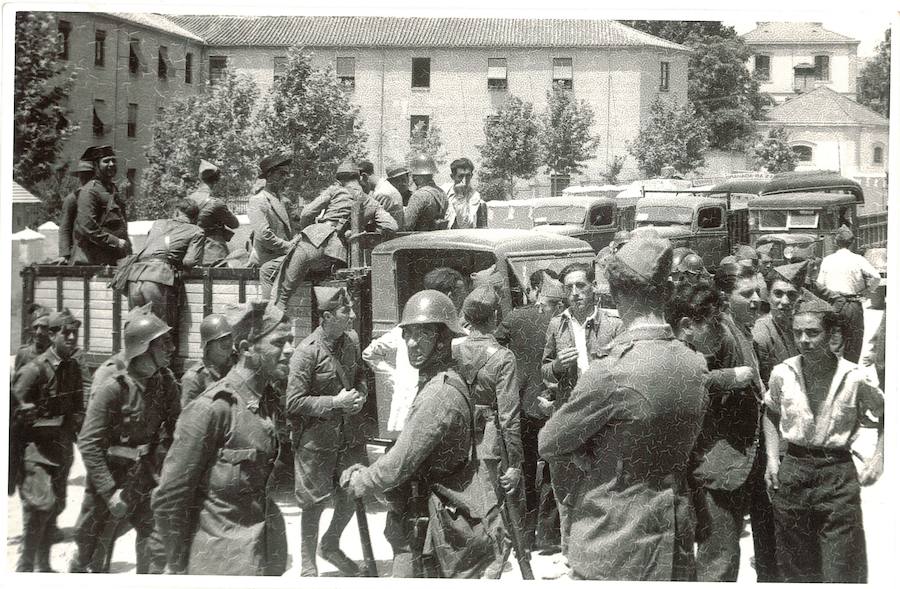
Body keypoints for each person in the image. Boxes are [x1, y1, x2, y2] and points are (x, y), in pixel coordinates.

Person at [539, 237, 709, 581]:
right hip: (672, 540)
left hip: (615, 542)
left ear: (613, 294)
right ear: (667, 292)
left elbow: (549, 441)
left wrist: (583, 452)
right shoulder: (694, 363)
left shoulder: (611, 369)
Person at [342, 290, 500, 578]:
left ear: (442, 340)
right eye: (409, 334)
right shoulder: (442, 380)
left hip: (434, 527)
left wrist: (363, 480)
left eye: (423, 333)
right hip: (435, 518)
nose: (412, 343)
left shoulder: (438, 394)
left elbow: (400, 462)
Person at [152, 301, 292, 576]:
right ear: (246, 349)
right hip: (220, 563)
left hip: (263, 556)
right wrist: (179, 565)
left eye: (291, 341)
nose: (290, 350)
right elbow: (169, 499)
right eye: (279, 342)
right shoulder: (212, 408)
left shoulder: (267, 403)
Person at [763, 297, 884, 583]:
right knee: (795, 568)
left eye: (812, 333)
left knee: (839, 568)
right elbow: (769, 412)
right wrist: (771, 460)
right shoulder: (783, 373)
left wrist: (880, 456)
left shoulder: (855, 377)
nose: (803, 340)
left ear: (832, 335)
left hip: (837, 475)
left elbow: (888, 414)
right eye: (797, 333)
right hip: (794, 472)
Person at [70, 307, 179, 574]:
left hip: (146, 477)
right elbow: (89, 442)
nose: (172, 348)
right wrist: (108, 492)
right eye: (163, 343)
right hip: (111, 477)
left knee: (157, 551)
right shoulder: (113, 388)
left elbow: (179, 431)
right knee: (92, 555)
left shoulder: (165, 383)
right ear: (143, 348)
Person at [679, 265, 766, 582]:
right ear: (725, 299)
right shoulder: (720, 333)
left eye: (758, 291)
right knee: (719, 557)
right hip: (718, 465)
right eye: (747, 294)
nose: (757, 299)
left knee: (728, 555)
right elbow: (688, 378)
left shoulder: (742, 329)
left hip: (739, 463)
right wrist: (731, 377)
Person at [540, 261, 623, 573]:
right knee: (566, 487)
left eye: (581, 286)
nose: (574, 293)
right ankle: (570, 554)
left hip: (604, 417)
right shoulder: (556, 326)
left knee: (604, 483)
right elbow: (544, 369)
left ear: (593, 288)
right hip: (570, 414)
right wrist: (558, 367)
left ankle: (606, 551)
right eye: (569, 288)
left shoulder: (613, 325)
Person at [285, 286, 368, 576]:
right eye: (347, 311)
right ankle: (308, 566)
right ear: (328, 316)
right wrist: (335, 402)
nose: (353, 316)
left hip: (346, 438)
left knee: (352, 494)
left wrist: (360, 397)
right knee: (313, 504)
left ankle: (330, 544)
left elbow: (360, 375)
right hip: (315, 442)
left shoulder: (352, 341)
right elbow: (293, 402)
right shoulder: (306, 353)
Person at [455, 286, 523, 576]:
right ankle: (492, 571)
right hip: (490, 441)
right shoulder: (503, 357)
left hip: (459, 439)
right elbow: (509, 415)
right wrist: (517, 462)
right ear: (495, 316)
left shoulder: (454, 350)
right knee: (496, 512)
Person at [11, 309, 85, 572]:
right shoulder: (34, 370)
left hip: (60, 448)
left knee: (56, 506)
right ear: (53, 336)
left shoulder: (73, 367)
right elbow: (10, 408)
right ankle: (25, 564)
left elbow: (77, 408)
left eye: (75, 333)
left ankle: (42, 565)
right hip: (34, 449)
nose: (72, 338)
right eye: (66, 333)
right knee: (41, 504)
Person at [494, 270, 562, 551]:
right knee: (549, 471)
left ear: (534, 290)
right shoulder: (561, 322)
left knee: (522, 469)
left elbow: (495, 350)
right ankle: (547, 535)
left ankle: (523, 534)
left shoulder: (514, 319)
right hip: (551, 406)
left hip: (521, 407)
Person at [272, 160, 397, 309]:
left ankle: (272, 322)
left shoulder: (335, 190)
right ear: (359, 178)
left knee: (282, 291)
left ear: (339, 180)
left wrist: (312, 232)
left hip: (311, 243)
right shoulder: (371, 202)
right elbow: (391, 226)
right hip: (337, 255)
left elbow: (306, 213)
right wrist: (364, 234)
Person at [122, 199, 205, 327]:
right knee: (160, 330)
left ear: (176, 212)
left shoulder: (157, 224)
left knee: (136, 329)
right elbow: (189, 261)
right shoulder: (197, 231)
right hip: (158, 278)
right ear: (195, 217)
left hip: (134, 277)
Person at [815, 225, 881, 362]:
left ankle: (833, 371)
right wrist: (867, 291)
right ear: (851, 243)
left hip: (833, 304)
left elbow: (819, 284)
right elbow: (876, 277)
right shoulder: (858, 259)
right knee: (854, 343)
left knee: (832, 340)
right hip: (853, 304)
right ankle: (850, 373)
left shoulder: (828, 260)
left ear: (835, 242)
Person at [71, 145, 132, 266]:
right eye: (106, 161)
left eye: (113, 160)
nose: (111, 164)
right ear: (96, 165)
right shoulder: (90, 191)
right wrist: (115, 242)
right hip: (95, 259)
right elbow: (88, 227)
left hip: (115, 257)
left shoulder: (112, 189)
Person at [248, 153, 295, 297]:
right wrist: (289, 247)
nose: (285, 178)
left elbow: (293, 229)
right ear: (269, 175)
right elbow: (264, 236)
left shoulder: (284, 201)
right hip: (268, 262)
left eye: (287, 174)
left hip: (283, 260)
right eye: (281, 174)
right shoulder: (258, 200)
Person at [187, 159, 240, 266]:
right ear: (216, 181)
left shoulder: (186, 201)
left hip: (190, 254)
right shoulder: (216, 203)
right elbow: (234, 224)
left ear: (200, 178)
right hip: (214, 254)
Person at [179, 313, 235, 408]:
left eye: (229, 336)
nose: (228, 342)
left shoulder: (237, 365)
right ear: (208, 344)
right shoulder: (194, 378)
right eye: (222, 339)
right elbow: (189, 416)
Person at [58, 159, 95, 263]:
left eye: (89, 175)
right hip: (80, 252)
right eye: (82, 176)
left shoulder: (101, 197)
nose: (85, 179)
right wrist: (64, 254)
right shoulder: (73, 199)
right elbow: (65, 227)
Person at [403, 154, 448, 231]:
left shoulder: (419, 196)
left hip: (419, 240)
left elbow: (407, 225)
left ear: (419, 175)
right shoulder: (441, 193)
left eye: (415, 174)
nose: (413, 178)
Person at [442, 157, 486, 229]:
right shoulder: (444, 190)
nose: (464, 181)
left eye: (468, 176)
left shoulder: (474, 196)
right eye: (461, 176)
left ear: (471, 176)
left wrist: (460, 197)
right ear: (452, 177)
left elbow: (464, 225)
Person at [14, 304, 52, 373]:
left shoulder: (57, 353)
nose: (38, 332)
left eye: (43, 327)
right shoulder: (24, 354)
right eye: (35, 327)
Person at [370, 162, 409, 227]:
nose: (402, 183)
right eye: (397, 180)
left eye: (404, 180)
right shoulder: (387, 197)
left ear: (408, 179)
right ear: (391, 182)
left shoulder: (412, 197)